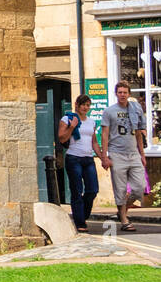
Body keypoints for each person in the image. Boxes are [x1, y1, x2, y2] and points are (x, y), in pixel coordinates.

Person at [101, 82, 149, 232]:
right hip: (116, 154)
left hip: (133, 153)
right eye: (120, 92)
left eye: (125, 92)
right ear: (116, 94)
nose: (122, 94)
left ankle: (122, 211)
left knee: (139, 188)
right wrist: (104, 156)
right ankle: (124, 219)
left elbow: (139, 133)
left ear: (129, 94)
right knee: (120, 189)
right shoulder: (109, 111)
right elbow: (105, 134)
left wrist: (142, 154)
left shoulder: (135, 110)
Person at [57, 94, 104, 232]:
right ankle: (80, 222)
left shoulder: (91, 122)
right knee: (77, 191)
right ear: (77, 105)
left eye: (88, 105)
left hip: (88, 159)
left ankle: (82, 214)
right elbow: (61, 138)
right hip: (73, 158)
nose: (85, 107)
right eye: (83, 104)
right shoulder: (67, 119)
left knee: (92, 190)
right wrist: (71, 127)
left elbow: (94, 142)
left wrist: (102, 157)